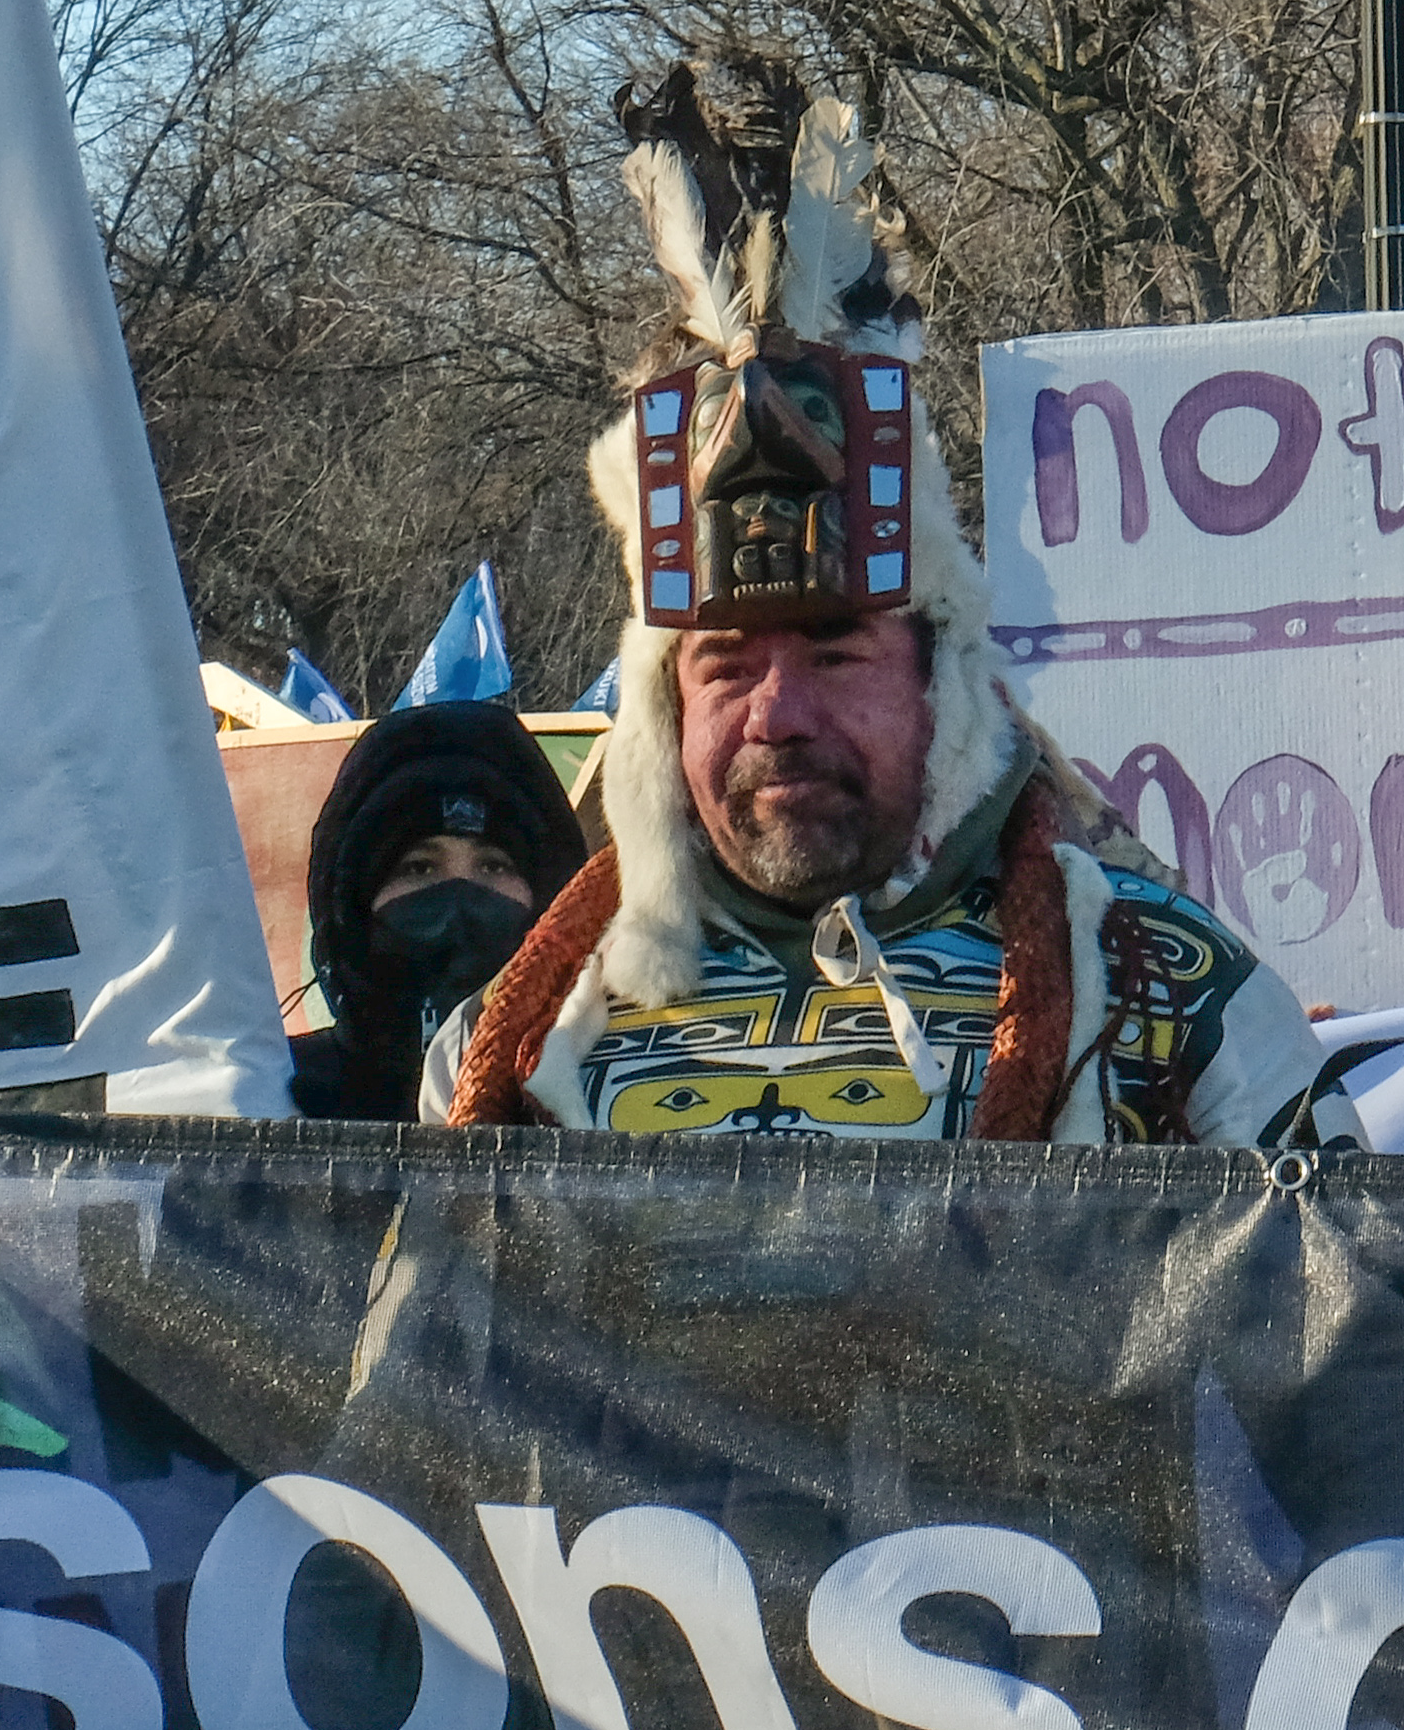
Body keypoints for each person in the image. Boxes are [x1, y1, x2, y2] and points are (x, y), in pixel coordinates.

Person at [429, 61, 1349, 1146]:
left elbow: (1354, 1303)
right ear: (661, 708)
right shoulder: (524, 1038)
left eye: (834, 654)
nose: (777, 715)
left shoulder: (1169, 1001)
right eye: (724, 663)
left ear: (941, 681)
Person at [290, 699, 586, 1119]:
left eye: (493, 865)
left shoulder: (591, 1099)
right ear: (351, 903)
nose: (459, 900)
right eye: (419, 867)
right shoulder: (277, 1101)